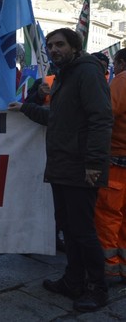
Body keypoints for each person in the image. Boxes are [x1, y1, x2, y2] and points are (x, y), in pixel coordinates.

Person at [9, 28, 112, 312]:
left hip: (81, 167)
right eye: (50, 45)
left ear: (75, 46)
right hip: (62, 165)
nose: (54, 50)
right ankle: (73, 280)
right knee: (68, 228)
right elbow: (58, 119)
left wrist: (93, 163)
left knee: (82, 231)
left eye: (59, 45)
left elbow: (101, 119)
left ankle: (97, 288)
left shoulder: (87, 73)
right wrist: (25, 109)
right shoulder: (65, 76)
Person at [95, 48, 126, 285]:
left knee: (108, 213)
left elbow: (107, 112)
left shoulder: (121, 81)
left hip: (117, 160)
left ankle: (110, 269)